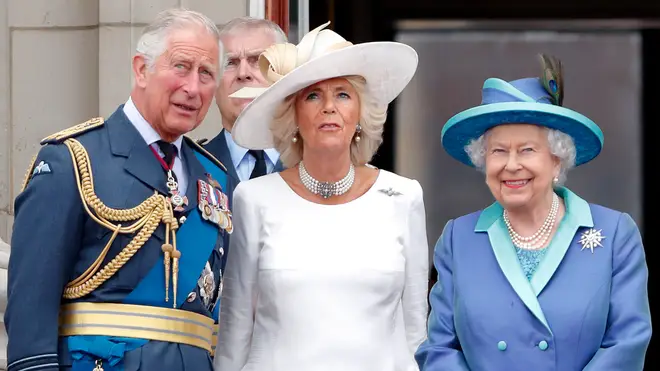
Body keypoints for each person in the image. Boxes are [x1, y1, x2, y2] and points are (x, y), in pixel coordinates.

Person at [5, 8, 232, 371]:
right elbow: (30, 310)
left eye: (206, 74)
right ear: (141, 69)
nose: (193, 88)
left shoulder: (214, 178)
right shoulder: (74, 161)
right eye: (181, 67)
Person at [213, 22, 429, 371]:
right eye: (313, 95)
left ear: (360, 113)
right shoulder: (253, 198)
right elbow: (235, 333)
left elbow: (415, 334)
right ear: (293, 115)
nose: (329, 106)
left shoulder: (404, 197)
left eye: (343, 94)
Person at [416, 54, 652, 371]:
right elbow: (439, 348)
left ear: (557, 160)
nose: (511, 165)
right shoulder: (458, 239)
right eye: (498, 151)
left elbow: (627, 344)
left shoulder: (615, 235)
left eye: (527, 149)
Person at [203, 17, 287, 204]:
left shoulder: (315, 164)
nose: (243, 73)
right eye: (230, 63)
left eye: (257, 60)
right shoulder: (190, 166)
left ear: (284, 74)